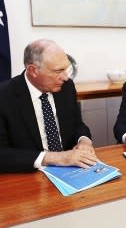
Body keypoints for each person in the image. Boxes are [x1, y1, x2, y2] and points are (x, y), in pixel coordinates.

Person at [0, 39, 99, 173]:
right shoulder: (4, 96)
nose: (65, 77)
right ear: (33, 70)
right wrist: (53, 158)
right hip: (28, 174)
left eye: (66, 69)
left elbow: (77, 125)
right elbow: (3, 154)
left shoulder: (67, 87)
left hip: (71, 170)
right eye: (58, 71)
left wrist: (84, 142)